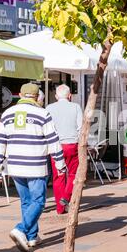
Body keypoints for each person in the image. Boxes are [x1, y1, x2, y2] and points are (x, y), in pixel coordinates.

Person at [0, 83, 66, 252]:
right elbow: (53, 142)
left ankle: (32, 236)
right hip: (35, 165)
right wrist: (60, 164)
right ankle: (21, 229)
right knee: (38, 201)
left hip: (15, 166)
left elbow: (0, 143)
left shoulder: (7, 114)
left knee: (26, 202)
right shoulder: (42, 113)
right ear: (36, 97)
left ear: (20, 95)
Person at [46, 84, 82, 214]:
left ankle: (60, 208)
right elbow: (80, 128)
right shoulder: (76, 107)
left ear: (56, 96)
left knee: (58, 176)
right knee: (72, 174)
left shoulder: (49, 108)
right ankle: (66, 197)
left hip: (55, 146)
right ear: (70, 95)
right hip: (72, 145)